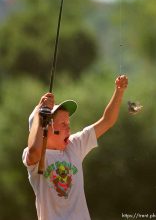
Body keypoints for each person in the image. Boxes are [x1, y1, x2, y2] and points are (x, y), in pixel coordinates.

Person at [22, 74, 128, 220]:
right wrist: (40, 114)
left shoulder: (74, 145)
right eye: (63, 125)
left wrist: (119, 92)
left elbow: (107, 121)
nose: (68, 129)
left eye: (69, 125)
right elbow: (34, 149)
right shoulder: (34, 155)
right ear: (45, 128)